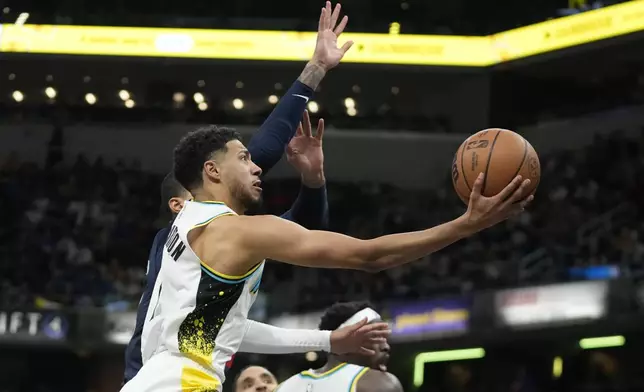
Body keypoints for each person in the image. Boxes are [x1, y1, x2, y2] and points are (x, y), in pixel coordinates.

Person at [121, 0, 352, 381]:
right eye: (241, 162)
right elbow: (262, 150)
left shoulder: (215, 236)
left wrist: (313, 180)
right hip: (158, 379)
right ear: (181, 202)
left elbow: (302, 226)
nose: (254, 167)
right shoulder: (189, 233)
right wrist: (315, 70)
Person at [123, 111, 387, 384]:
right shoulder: (222, 229)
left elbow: (233, 327)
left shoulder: (181, 238)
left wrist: (327, 340)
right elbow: (368, 254)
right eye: (244, 159)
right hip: (175, 379)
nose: (257, 167)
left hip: (154, 376)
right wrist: (311, 76)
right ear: (210, 173)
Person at [276, 302, 402, 392]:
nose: (386, 347)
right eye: (375, 337)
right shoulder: (380, 385)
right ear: (343, 342)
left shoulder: (283, 387)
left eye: (385, 339)